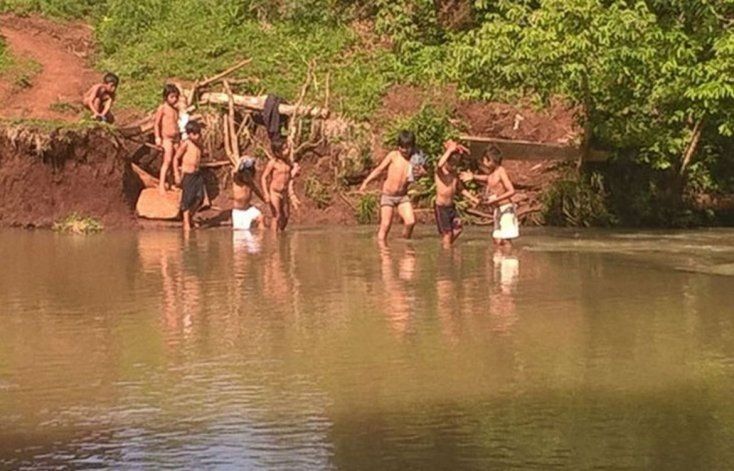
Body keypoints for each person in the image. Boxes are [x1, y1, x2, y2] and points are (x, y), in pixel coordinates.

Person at [359, 130, 423, 243]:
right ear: (398, 146)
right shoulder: (393, 155)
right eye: (402, 147)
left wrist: (423, 173)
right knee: (386, 224)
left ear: (412, 147)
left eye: (407, 147)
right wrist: (366, 182)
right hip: (388, 196)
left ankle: (405, 242)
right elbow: (379, 169)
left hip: (402, 196)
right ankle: (381, 247)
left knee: (410, 222)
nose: (404, 150)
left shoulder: (415, 159)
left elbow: (423, 173)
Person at [461, 145, 518, 246]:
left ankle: (509, 255)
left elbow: (511, 191)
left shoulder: (501, 171)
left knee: (505, 240)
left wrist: (495, 200)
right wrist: (473, 176)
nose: (483, 161)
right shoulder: (492, 173)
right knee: (496, 239)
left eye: (485, 159)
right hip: (498, 209)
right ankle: (499, 256)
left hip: (506, 209)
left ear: (491, 159)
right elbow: (487, 178)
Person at [434, 139, 479, 247]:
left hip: (451, 207)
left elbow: (460, 189)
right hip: (441, 208)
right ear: (447, 161)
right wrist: (449, 150)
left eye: (456, 164)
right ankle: (446, 248)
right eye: (452, 163)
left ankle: (446, 245)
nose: (454, 166)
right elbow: (439, 165)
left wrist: (472, 198)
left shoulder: (454, 174)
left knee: (458, 228)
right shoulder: (441, 172)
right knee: (448, 233)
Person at [261, 139, 299, 232]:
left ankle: (281, 233)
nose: (287, 151)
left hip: (284, 193)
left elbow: (292, 175)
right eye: (284, 149)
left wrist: (296, 171)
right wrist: (266, 193)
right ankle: (274, 237)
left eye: (287, 148)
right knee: (276, 216)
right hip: (275, 192)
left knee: (286, 216)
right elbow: (263, 177)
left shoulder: (288, 162)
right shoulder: (273, 163)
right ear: (277, 152)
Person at [174, 121, 205, 233]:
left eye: (198, 133)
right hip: (188, 174)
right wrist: (176, 174)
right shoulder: (186, 144)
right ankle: (186, 222)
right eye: (195, 134)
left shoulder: (199, 145)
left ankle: (190, 216)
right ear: (189, 134)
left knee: (200, 198)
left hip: (197, 174)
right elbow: (176, 158)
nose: (197, 136)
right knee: (187, 198)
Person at [154, 84, 181, 195]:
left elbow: (176, 124)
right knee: (167, 160)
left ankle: (171, 183)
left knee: (175, 160)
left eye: (176, 97)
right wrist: (157, 137)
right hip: (167, 138)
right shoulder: (163, 108)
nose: (174, 99)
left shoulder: (175, 110)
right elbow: (156, 124)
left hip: (176, 138)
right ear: (166, 97)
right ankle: (161, 184)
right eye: (172, 97)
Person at [232, 157, 266, 231]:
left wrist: (264, 199)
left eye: (249, 174)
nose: (247, 176)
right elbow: (234, 171)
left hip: (248, 209)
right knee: (240, 233)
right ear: (241, 173)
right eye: (245, 174)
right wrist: (241, 159)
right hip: (238, 212)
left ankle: (261, 236)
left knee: (261, 217)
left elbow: (257, 191)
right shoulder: (237, 181)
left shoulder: (250, 183)